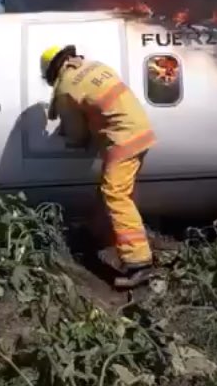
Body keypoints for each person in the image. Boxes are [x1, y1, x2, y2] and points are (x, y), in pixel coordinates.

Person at [40, 45, 157, 286]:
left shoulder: (66, 88)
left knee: (115, 194)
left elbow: (77, 134)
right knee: (111, 189)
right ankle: (98, 236)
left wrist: (69, 135)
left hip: (123, 138)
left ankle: (139, 263)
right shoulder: (95, 66)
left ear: (53, 72)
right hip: (139, 130)